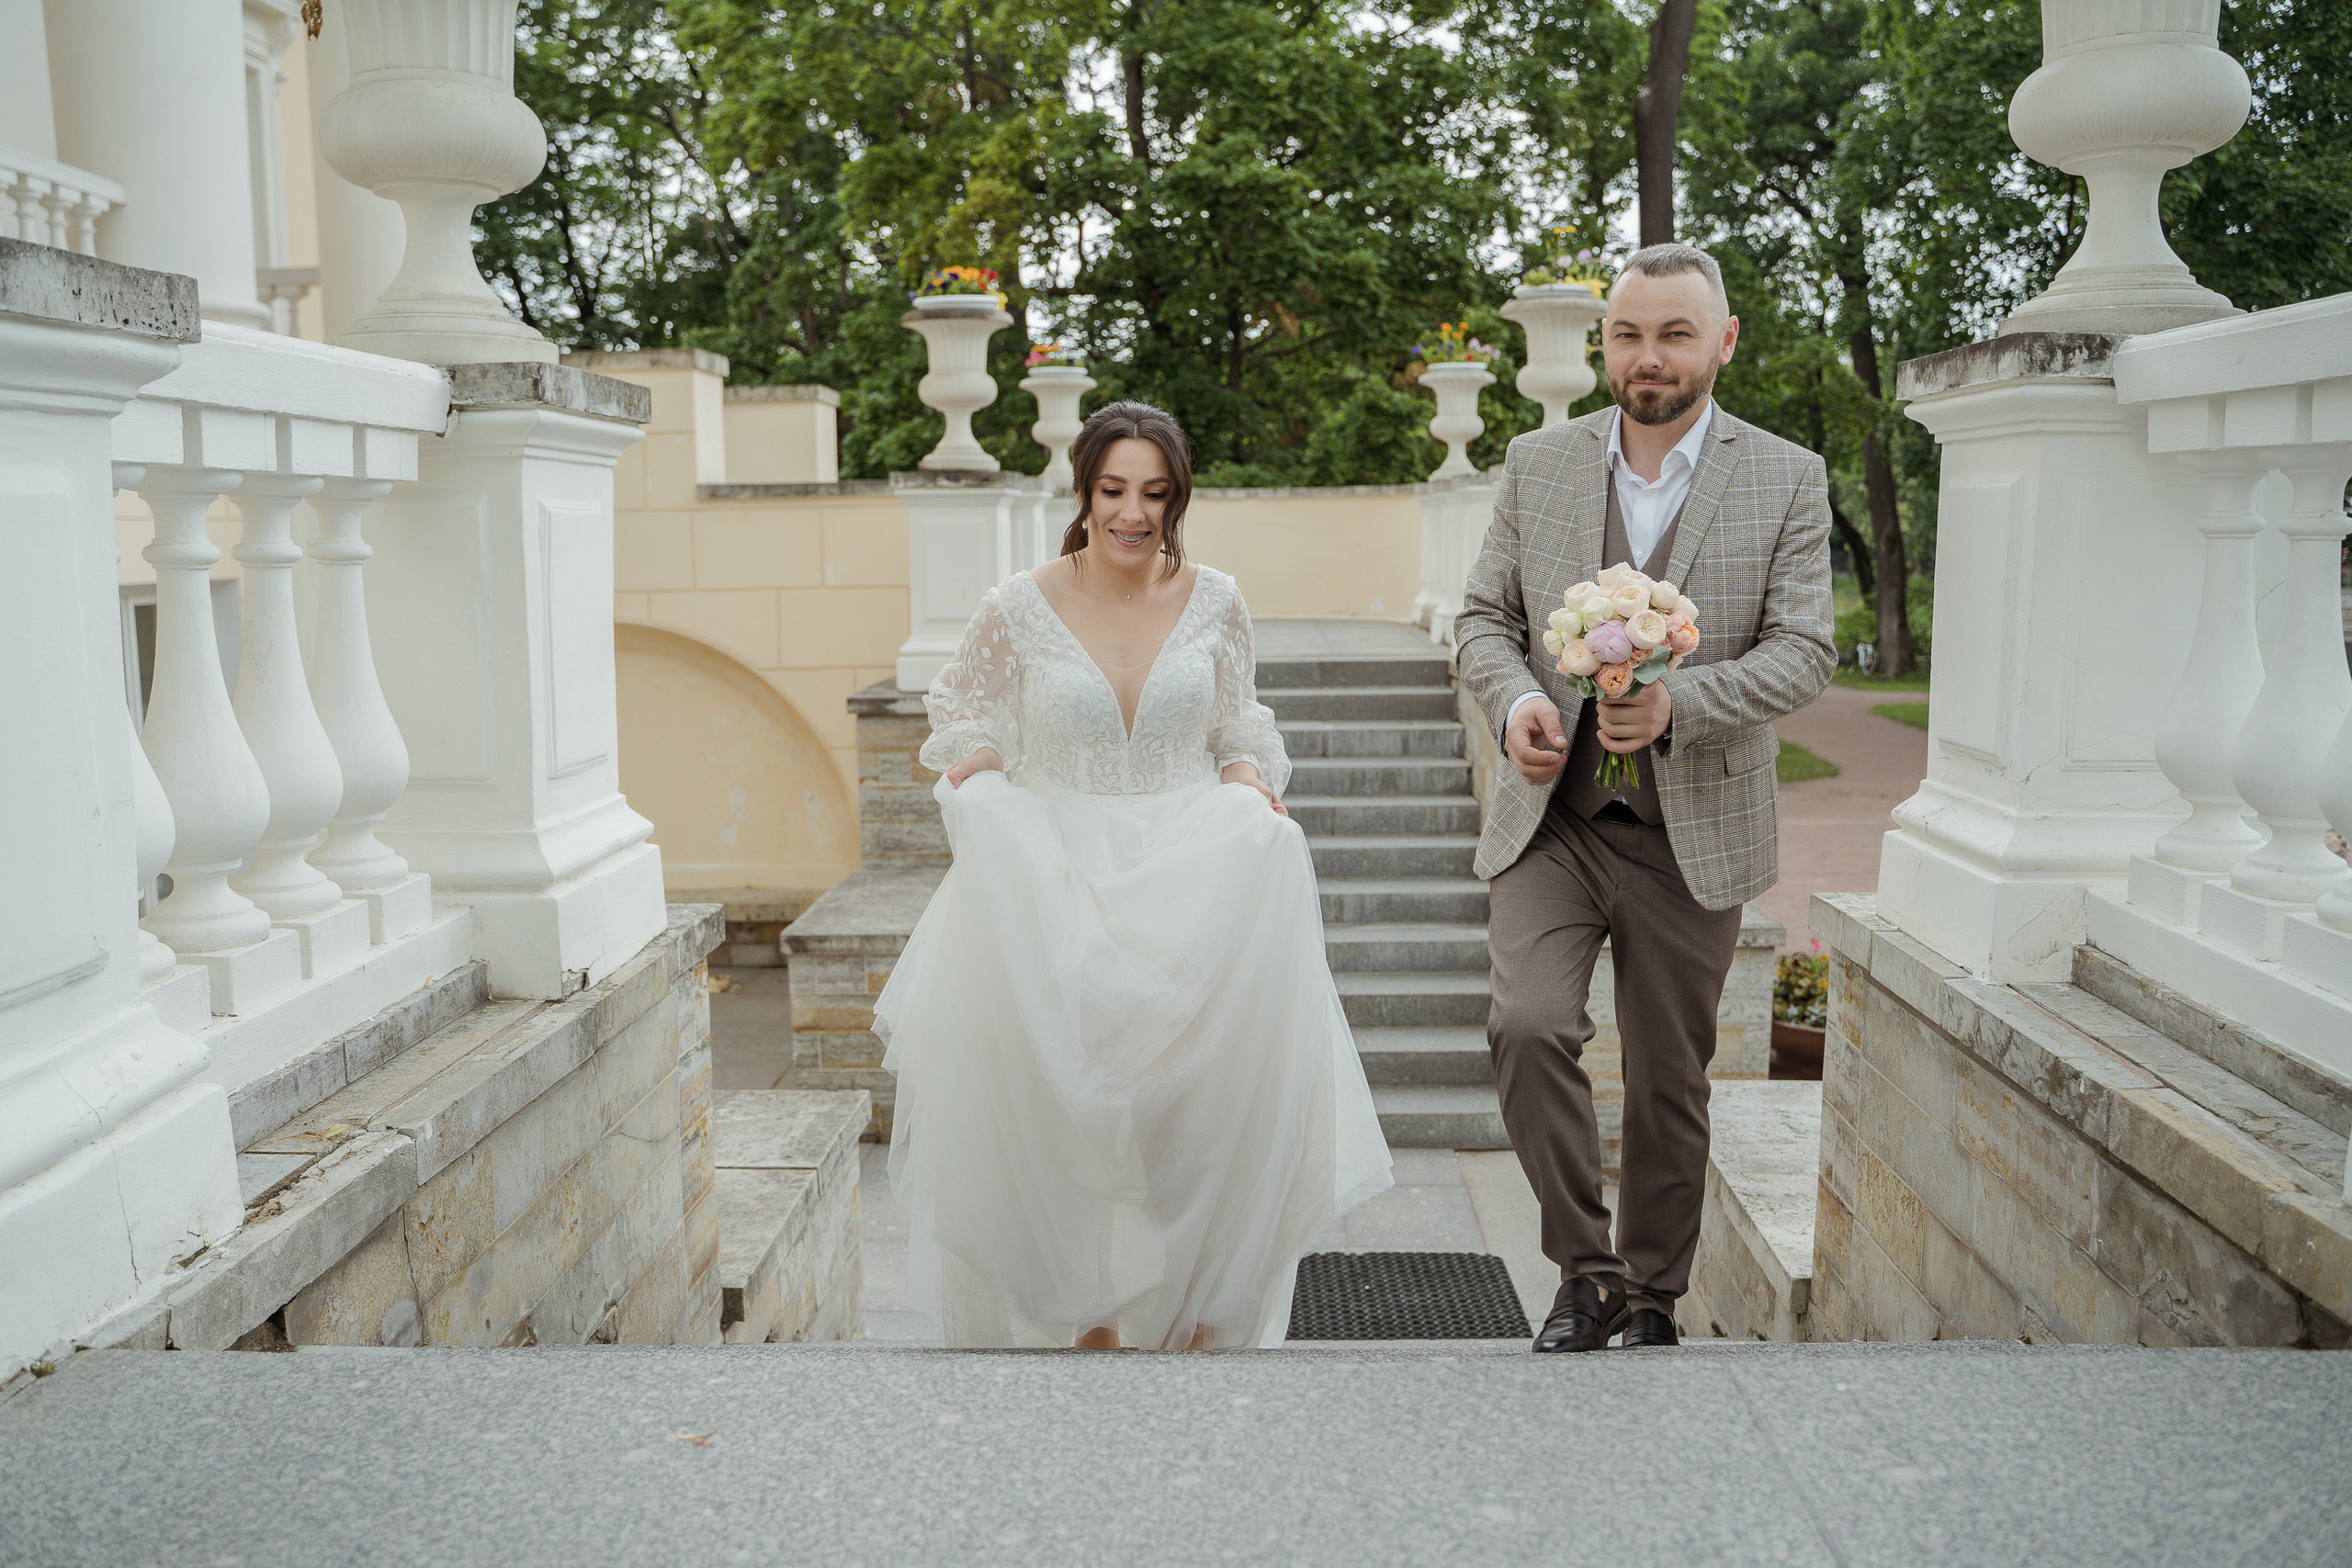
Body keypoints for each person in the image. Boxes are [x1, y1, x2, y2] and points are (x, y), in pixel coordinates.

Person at [874, 400, 1394, 1351]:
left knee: (1189, 1106)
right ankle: (1088, 1314)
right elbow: (959, 703)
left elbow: (1239, 724)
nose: (1132, 512)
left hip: (1191, 871)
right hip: (1056, 875)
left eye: (1154, 493)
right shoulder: (1019, 602)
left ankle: (1195, 1306)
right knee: (1067, 1113)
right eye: (1113, 490)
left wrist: (1248, 789)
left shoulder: (1216, 598)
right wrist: (983, 768)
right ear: (1082, 490)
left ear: (1177, 497)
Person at [1454, 243, 1835, 1352]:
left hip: (1692, 833)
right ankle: (1586, 1270)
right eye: (1628, 334)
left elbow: (1806, 652)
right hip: (1556, 822)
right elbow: (1483, 616)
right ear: (1604, 345)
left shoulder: (1785, 476)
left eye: (1674, 333)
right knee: (1527, 1026)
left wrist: (1682, 703)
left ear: (1721, 342)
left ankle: (1654, 1297)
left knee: (1671, 1076)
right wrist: (1518, 695)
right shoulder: (1539, 462)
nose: (1647, 356)